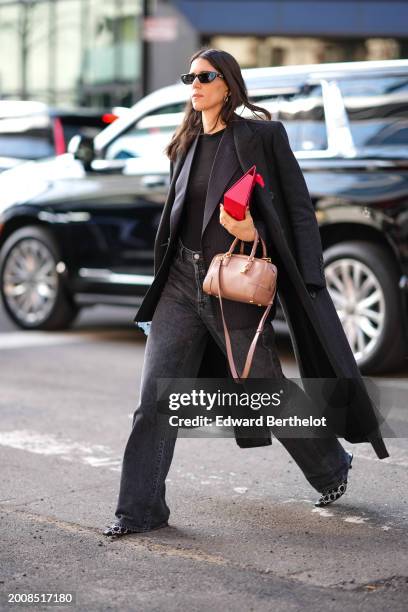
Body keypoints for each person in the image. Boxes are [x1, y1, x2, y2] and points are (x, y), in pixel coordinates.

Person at [102, 48, 359, 537]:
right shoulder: (185, 143)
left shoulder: (260, 136)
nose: (194, 85)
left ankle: (330, 465)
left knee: (265, 389)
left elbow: (298, 208)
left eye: (205, 76)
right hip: (181, 281)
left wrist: (287, 256)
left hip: (234, 283)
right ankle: (139, 511)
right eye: (189, 77)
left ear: (228, 84)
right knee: (156, 398)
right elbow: (175, 221)